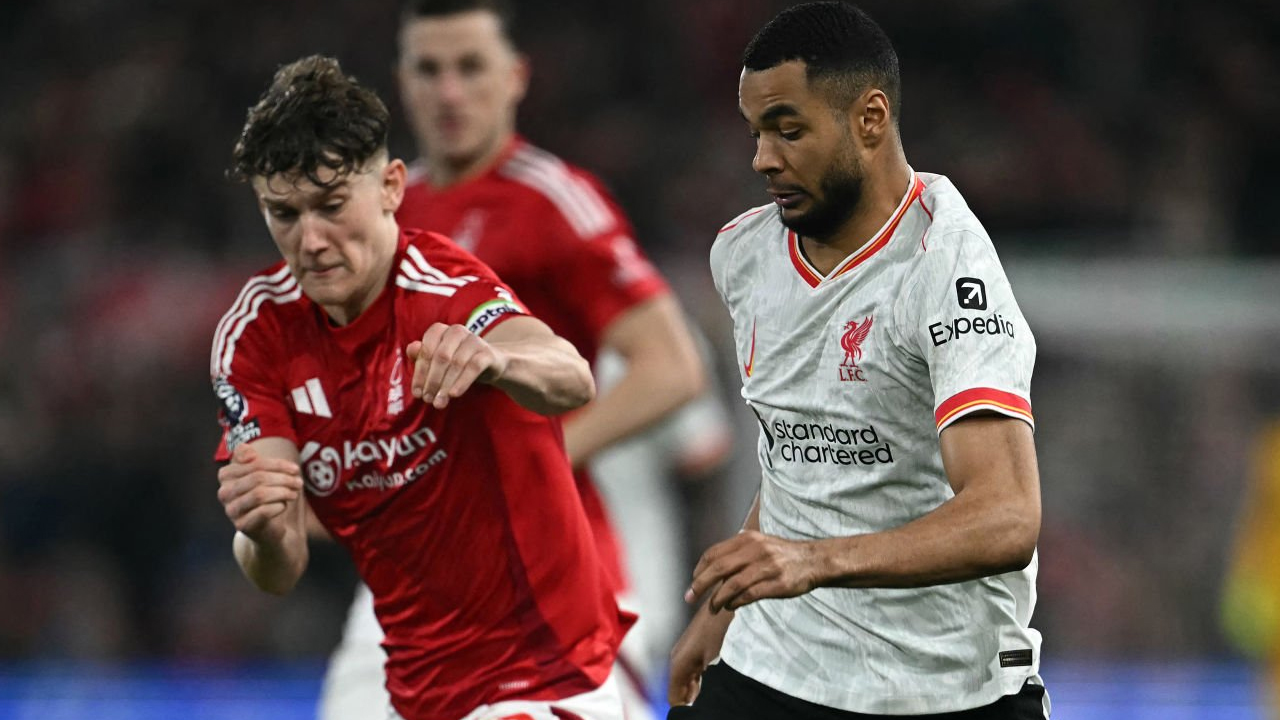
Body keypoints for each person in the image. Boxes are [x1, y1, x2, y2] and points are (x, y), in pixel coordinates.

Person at [210, 54, 632, 720]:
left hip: (547, 678)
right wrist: (260, 530)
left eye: (330, 204)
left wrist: (495, 362)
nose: (311, 240)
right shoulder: (256, 337)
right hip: (414, 690)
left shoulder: (441, 287)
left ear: (391, 187)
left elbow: (570, 376)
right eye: (283, 213)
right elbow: (279, 567)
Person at [320, 1, 708, 717]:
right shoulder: (382, 220)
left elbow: (673, 366)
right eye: (429, 70)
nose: (449, 91)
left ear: (515, 77)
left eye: (470, 67)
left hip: (542, 576)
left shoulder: (552, 203)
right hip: (406, 585)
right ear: (403, 81)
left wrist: (542, 458)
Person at [666, 3, 1049, 718]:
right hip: (775, 665)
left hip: (947, 689)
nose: (762, 158)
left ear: (870, 119)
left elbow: (1007, 516)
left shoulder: (945, 268)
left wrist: (813, 560)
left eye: (788, 129)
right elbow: (800, 461)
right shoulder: (743, 256)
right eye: (755, 133)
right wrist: (719, 619)